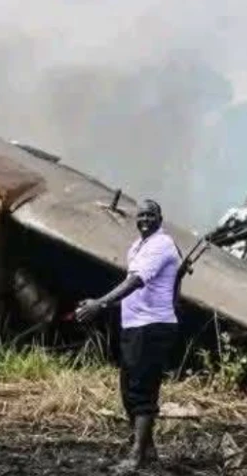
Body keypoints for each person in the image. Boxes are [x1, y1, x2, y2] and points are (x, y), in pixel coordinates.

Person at [75, 199, 181, 471]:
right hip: (135, 326)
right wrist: (102, 304)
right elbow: (136, 287)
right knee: (128, 390)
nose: (144, 219)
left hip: (152, 326)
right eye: (141, 215)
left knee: (142, 391)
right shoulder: (137, 246)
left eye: (150, 215)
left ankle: (136, 457)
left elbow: (135, 281)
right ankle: (148, 451)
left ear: (160, 219)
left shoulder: (161, 244)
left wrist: (100, 303)